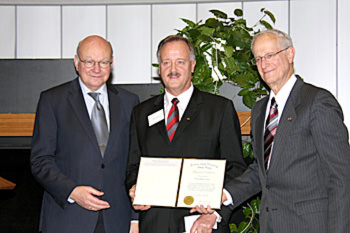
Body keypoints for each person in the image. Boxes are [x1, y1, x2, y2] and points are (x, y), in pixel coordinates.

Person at [192, 29, 350, 233]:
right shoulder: (260, 109)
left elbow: (341, 178)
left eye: (269, 55)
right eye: (258, 59)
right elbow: (261, 172)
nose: (264, 64)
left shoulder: (316, 102)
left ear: (290, 54)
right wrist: (222, 195)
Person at [125, 35, 247, 233]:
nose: (173, 69)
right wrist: (134, 189)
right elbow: (133, 167)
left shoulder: (219, 109)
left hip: (201, 224)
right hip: (154, 224)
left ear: (192, 65)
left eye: (180, 62)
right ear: (159, 68)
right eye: (166, 62)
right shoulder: (141, 113)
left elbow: (236, 168)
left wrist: (215, 212)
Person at [30, 35, 139, 233]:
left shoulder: (129, 102)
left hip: (117, 220)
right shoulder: (52, 101)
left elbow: (136, 162)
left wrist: (135, 219)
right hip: (68, 218)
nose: (96, 69)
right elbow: (40, 160)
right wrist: (72, 191)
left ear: (111, 63)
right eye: (89, 61)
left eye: (103, 62)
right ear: (76, 62)